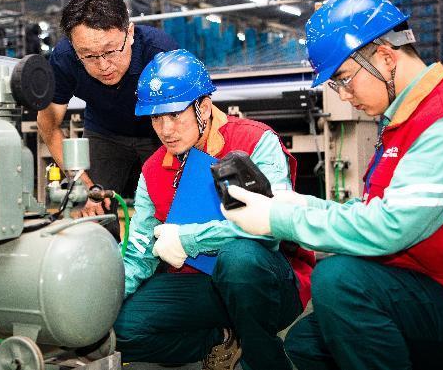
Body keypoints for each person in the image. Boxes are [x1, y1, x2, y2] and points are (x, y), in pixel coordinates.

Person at [222, 0, 443, 370]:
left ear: (386, 57)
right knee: (306, 342)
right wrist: (299, 203)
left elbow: (389, 226)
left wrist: (279, 219)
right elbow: (374, 208)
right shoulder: (404, 119)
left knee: (338, 280)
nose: (345, 96)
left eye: (345, 79)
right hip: (432, 286)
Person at [114, 49, 314, 370]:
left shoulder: (255, 141)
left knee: (240, 258)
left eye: (174, 115)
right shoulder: (152, 170)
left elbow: (272, 224)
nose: (165, 129)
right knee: (120, 327)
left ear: (204, 107)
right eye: (156, 118)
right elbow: (138, 253)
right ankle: (222, 338)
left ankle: (263, 359)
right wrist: (103, 300)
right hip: (201, 286)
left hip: (265, 280)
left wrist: (189, 240)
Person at [36, 0, 178, 239]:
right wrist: (84, 185)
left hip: (160, 134)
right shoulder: (64, 58)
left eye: (111, 51)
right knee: (93, 214)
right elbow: (48, 126)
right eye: (89, 56)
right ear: (74, 47)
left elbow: (192, 119)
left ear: (130, 33)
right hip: (105, 133)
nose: (103, 66)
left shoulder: (161, 53)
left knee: (171, 211)